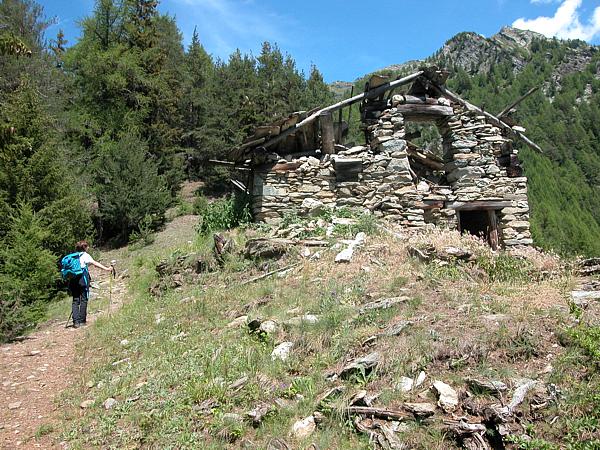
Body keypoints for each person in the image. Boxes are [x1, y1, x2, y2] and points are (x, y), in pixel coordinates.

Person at [69, 240, 113, 328]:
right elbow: (95, 263)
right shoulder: (85, 255)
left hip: (73, 280)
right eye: (87, 246)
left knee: (75, 300)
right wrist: (107, 269)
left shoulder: (73, 256)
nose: (88, 247)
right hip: (82, 279)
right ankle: (82, 321)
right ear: (84, 248)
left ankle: (75, 322)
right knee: (84, 299)